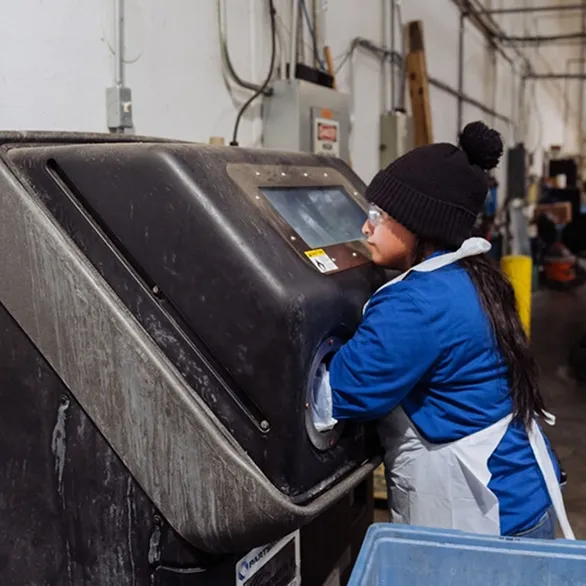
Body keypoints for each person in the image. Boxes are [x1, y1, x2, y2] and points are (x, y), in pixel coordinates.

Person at [313, 121, 574, 540]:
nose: (365, 228)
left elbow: (338, 395)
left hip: (486, 516)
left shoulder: (414, 303)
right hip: (522, 492)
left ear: (420, 224)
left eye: (379, 216)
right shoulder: (472, 275)